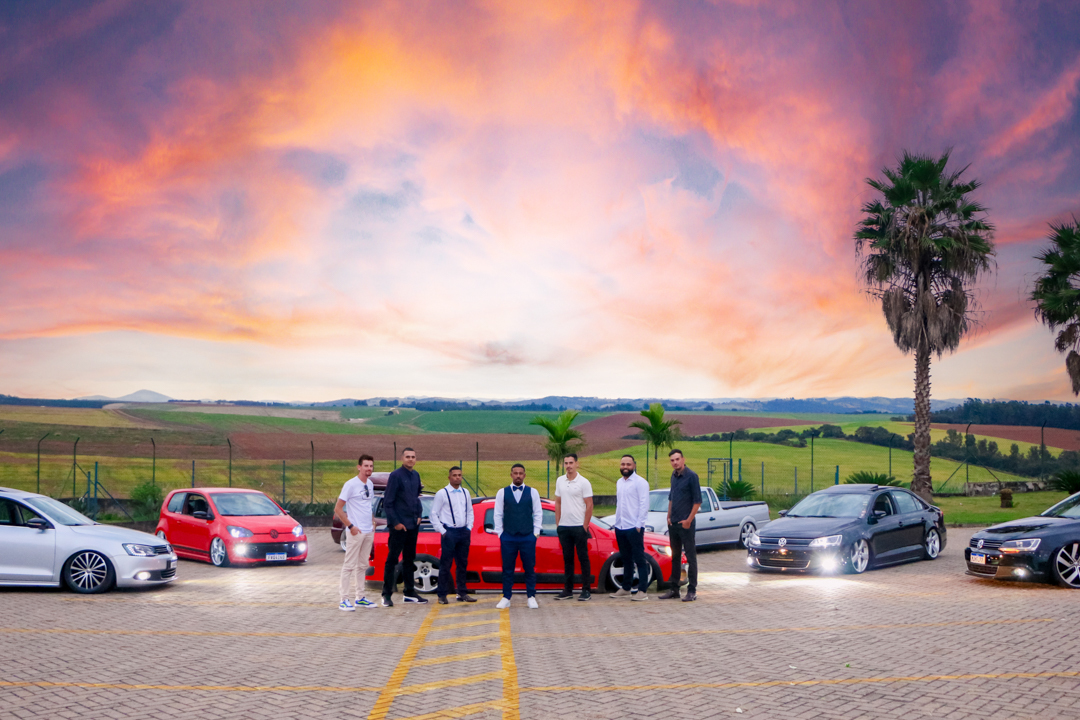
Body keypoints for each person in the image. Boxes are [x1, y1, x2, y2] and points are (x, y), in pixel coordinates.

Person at [381, 447, 426, 607]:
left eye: (413, 457)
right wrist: (396, 523)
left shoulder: (416, 475)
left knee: (409, 559)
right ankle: (386, 594)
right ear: (402, 458)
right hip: (399, 527)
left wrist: (419, 514)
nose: (411, 459)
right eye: (408, 456)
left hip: (413, 525)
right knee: (392, 560)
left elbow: (416, 498)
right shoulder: (395, 476)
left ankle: (409, 592)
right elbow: (388, 502)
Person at [494, 463, 542, 609]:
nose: (518, 476)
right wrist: (500, 534)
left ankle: (531, 596)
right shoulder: (502, 492)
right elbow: (498, 514)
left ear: (524, 475)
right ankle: (506, 597)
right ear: (511, 475)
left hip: (528, 536)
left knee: (529, 568)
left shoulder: (533, 492)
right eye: (515, 473)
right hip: (508, 537)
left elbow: (538, 513)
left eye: (521, 473)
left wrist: (535, 533)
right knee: (507, 569)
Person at [334, 454, 378, 610]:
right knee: (349, 565)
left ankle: (360, 597)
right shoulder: (350, 485)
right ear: (359, 467)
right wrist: (351, 526)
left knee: (363, 565)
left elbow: (368, 506)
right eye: (366, 466)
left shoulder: (370, 484)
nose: (369, 469)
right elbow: (338, 508)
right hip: (356, 531)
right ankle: (344, 599)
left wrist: (373, 521)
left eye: (371, 466)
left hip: (368, 530)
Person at [430, 466, 476, 604]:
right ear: (449, 477)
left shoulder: (465, 492)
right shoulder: (442, 493)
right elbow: (433, 514)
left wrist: (469, 527)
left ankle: (462, 593)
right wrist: (443, 531)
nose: (457, 477)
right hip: (449, 532)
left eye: (459, 475)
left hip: (463, 532)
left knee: (462, 564)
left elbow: (470, 511)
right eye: (455, 475)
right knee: (446, 564)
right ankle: (442, 595)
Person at [660, 449, 700, 602]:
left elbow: (697, 501)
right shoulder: (674, 476)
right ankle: (674, 589)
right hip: (674, 523)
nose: (675, 462)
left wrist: (689, 520)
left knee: (690, 557)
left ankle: (692, 590)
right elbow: (671, 497)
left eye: (677, 459)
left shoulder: (691, 476)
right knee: (675, 556)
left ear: (683, 459)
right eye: (672, 460)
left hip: (686, 524)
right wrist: (669, 515)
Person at [610, 454, 651, 601]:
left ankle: (642, 591)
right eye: (623, 464)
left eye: (628, 464)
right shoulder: (619, 482)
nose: (625, 467)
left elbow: (644, 504)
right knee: (626, 558)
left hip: (634, 527)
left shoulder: (641, 483)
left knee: (639, 558)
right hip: (620, 526)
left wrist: (639, 524)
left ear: (634, 465)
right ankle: (626, 588)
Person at [554, 453, 594, 601]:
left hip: (579, 526)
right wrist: (558, 523)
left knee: (583, 558)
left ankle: (586, 590)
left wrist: (585, 525)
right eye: (566, 463)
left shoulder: (583, 482)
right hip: (564, 527)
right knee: (568, 559)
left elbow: (589, 504)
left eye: (571, 463)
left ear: (577, 464)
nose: (568, 466)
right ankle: (568, 590)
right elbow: (558, 502)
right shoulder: (560, 481)